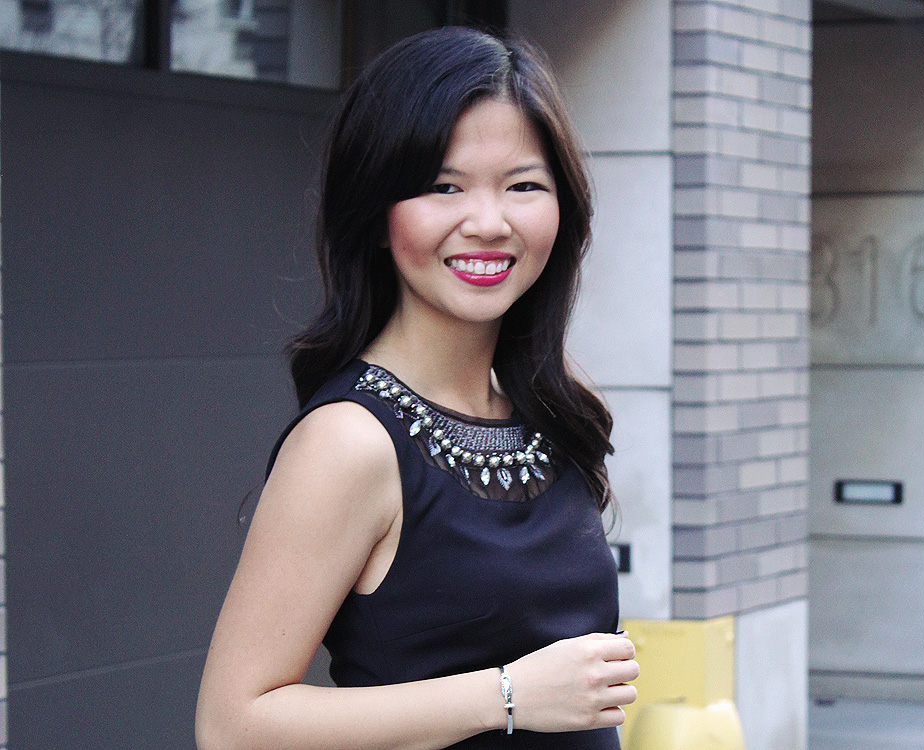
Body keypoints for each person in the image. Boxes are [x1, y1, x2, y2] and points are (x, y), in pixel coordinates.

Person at [195, 25, 638, 750]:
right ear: (376, 215)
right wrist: (508, 696)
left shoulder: (547, 412)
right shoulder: (349, 441)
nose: (489, 223)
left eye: (524, 186)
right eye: (443, 187)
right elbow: (232, 725)